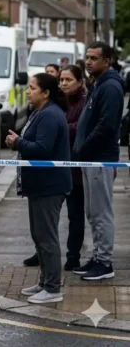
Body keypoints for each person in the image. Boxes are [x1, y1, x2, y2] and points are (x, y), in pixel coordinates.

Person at [6, 73, 71, 304]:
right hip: (40, 186)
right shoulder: (40, 113)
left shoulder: (50, 115)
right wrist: (19, 141)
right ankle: (44, 281)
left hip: (49, 186)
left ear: (45, 93)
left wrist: (18, 143)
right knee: (39, 235)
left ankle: (53, 288)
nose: (28, 91)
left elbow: (43, 149)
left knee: (47, 237)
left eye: (32, 88)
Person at [72, 41, 124, 280]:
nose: (89, 62)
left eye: (94, 58)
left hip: (100, 159)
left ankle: (104, 263)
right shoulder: (98, 84)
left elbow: (108, 124)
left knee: (101, 212)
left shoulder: (111, 86)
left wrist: (84, 145)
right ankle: (97, 256)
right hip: (90, 158)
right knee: (92, 212)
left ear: (107, 60)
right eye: (88, 58)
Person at [60, 65, 87, 271]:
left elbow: (80, 128)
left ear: (79, 82)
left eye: (68, 80)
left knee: (75, 216)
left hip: (76, 169)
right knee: (47, 215)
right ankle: (41, 252)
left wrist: (59, 128)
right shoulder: (57, 102)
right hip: (56, 168)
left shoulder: (84, 102)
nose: (63, 84)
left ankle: (73, 256)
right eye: (62, 80)